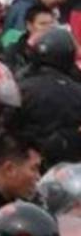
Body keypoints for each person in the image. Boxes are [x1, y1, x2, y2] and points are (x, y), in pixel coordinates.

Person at [6, 27, 81, 165]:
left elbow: (5, 128)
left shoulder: (22, 88)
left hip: (24, 166)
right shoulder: (77, 91)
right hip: (66, 172)